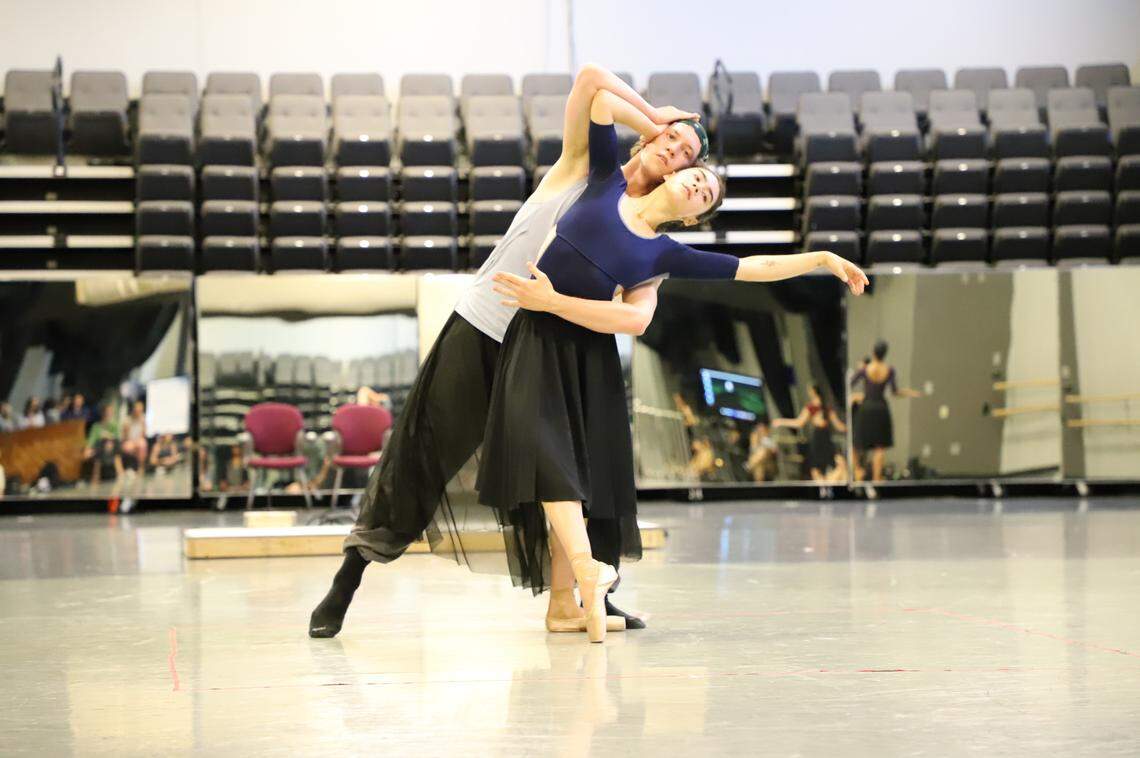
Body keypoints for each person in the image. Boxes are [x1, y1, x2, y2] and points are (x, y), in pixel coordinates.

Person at [309, 63, 706, 639]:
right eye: (670, 137)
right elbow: (590, 81)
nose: (673, 151)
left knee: (583, 472)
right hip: (485, 328)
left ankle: (587, 594)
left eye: (686, 153)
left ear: (690, 176)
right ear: (649, 134)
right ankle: (348, 579)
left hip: (552, 354)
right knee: (422, 453)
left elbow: (633, 312)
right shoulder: (582, 166)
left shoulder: (649, 235)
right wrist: (655, 114)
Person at [482, 89, 868, 641]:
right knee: (550, 461)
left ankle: (571, 595)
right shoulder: (607, 177)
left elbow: (755, 267)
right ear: (672, 172)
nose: (696, 182)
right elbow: (595, 98)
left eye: (705, 193)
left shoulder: (664, 256)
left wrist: (824, 258)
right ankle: (581, 579)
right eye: (696, 172)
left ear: (694, 217)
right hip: (533, 336)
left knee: (567, 471)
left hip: (573, 337)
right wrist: (660, 121)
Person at [850, 341, 922, 482]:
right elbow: (895, 392)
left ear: (873, 352)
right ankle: (877, 478)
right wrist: (909, 392)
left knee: (857, 442)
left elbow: (850, 383)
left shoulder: (865, 369)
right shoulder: (889, 370)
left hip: (867, 407)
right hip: (881, 408)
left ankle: (857, 471)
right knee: (880, 447)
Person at [772, 385, 848, 482]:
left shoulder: (816, 407)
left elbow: (798, 423)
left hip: (821, 439)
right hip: (824, 438)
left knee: (824, 468)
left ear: (813, 392)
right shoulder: (824, 407)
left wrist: (781, 421)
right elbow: (839, 426)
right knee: (825, 468)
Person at [83, 405, 123, 486]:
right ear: (102, 413)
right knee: (101, 444)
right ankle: (120, 473)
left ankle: (96, 476)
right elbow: (91, 439)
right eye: (106, 412)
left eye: (110, 412)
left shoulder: (114, 425)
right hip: (99, 448)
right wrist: (87, 448)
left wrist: (108, 437)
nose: (108, 414)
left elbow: (118, 437)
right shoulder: (96, 426)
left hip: (112, 447)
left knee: (109, 443)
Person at [120, 400, 148, 475]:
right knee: (128, 447)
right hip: (129, 440)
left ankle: (140, 467)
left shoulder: (143, 419)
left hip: (138, 440)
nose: (138, 411)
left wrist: (143, 424)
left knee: (142, 445)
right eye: (137, 409)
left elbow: (144, 434)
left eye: (140, 410)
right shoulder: (127, 420)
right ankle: (128, 467)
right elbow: (124, 436)